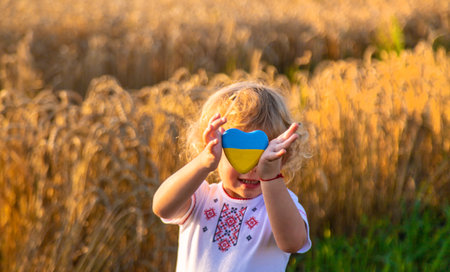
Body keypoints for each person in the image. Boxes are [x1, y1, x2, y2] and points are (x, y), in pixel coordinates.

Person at [152, 82, 312, 272]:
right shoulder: (200, 197)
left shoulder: (282, 203)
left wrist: (270, 178)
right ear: (217, 150)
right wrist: (203, 162)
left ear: (284, 156)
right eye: (238, 152)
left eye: (265, 156)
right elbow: (162, 207)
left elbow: (292, 242)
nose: (252, 167)